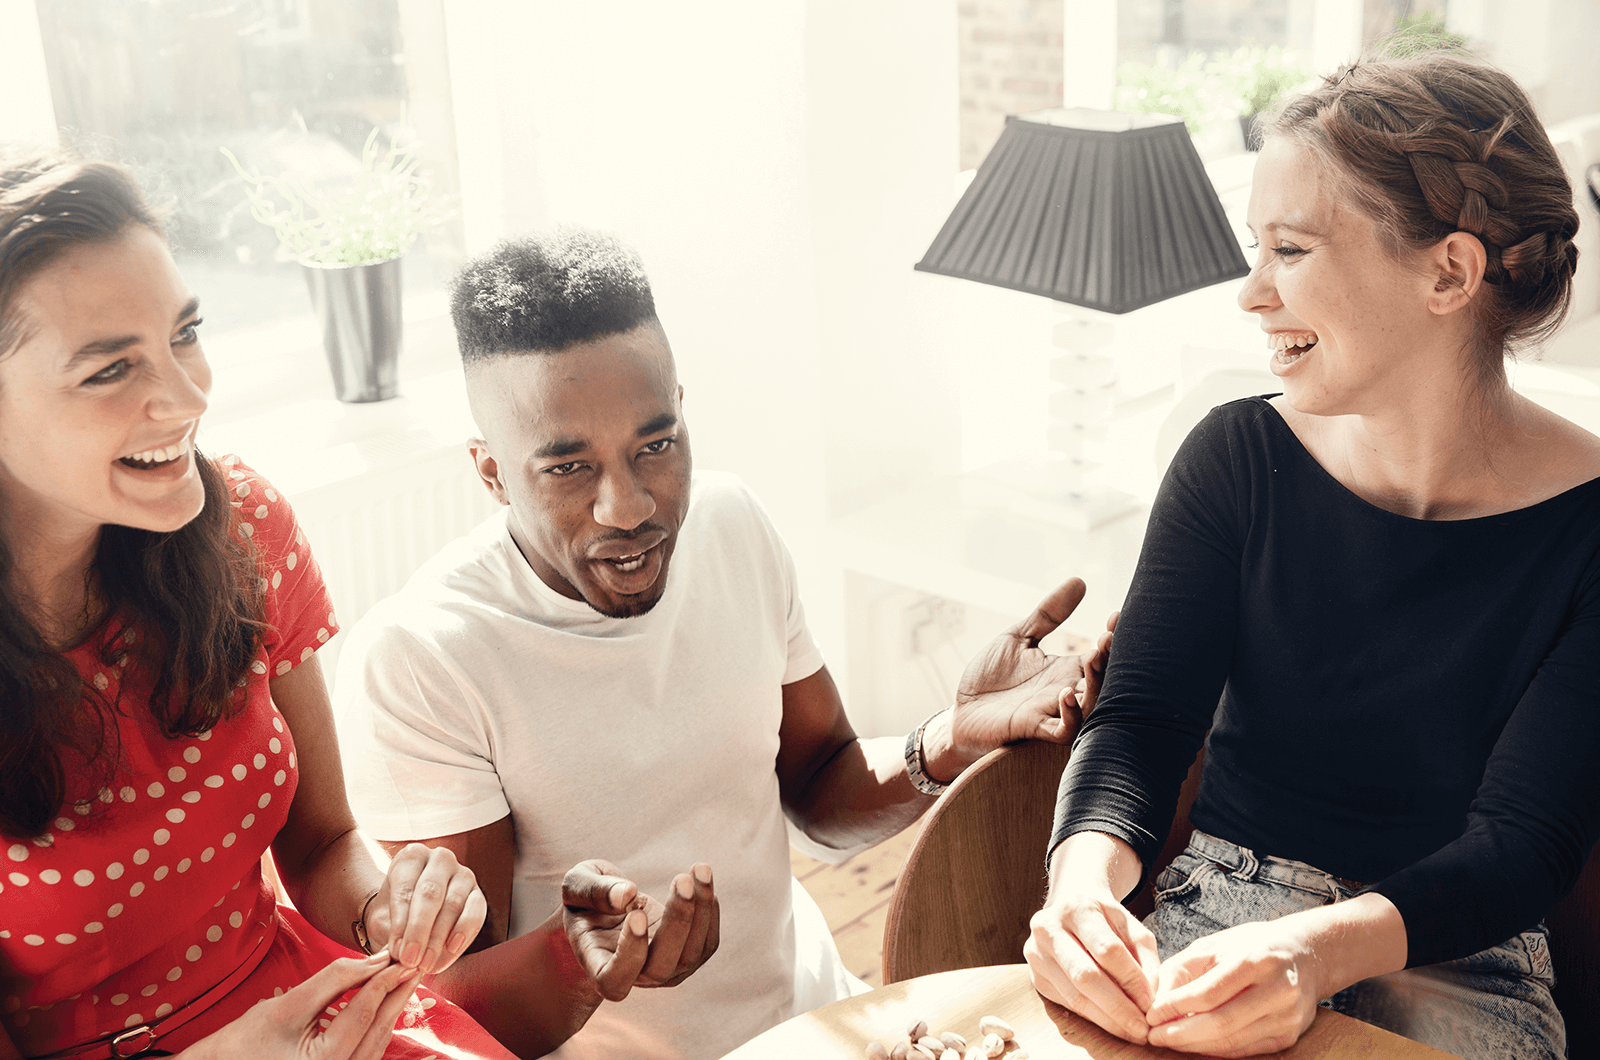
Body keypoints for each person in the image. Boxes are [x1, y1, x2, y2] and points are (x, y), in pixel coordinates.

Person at [331, 228, 1113, 1060]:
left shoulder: (732, 525)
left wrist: (950, 739)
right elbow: (451, 1012)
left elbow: (819, 782)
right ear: (491, 473)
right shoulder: (420, 658)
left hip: (822, 1025)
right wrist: (579, 963)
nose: (629, 506)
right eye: (569, 469)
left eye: (656, 446)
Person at [0, 149, 704, 1060]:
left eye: (185, 332)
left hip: (316, 1014)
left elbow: (325, 842)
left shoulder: (242, 527)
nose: (184, 397)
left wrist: (389, 908)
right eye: (109, 370)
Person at [1024, 50, 1596, 1060]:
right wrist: (1077, 882)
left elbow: (1522, 846)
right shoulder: (1233, 458)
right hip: (1215, 912)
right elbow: (1142, 726)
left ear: (1449, 272)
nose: (1251, 293)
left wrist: (1317, 953)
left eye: (1288, 249)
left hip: (1460, 958)